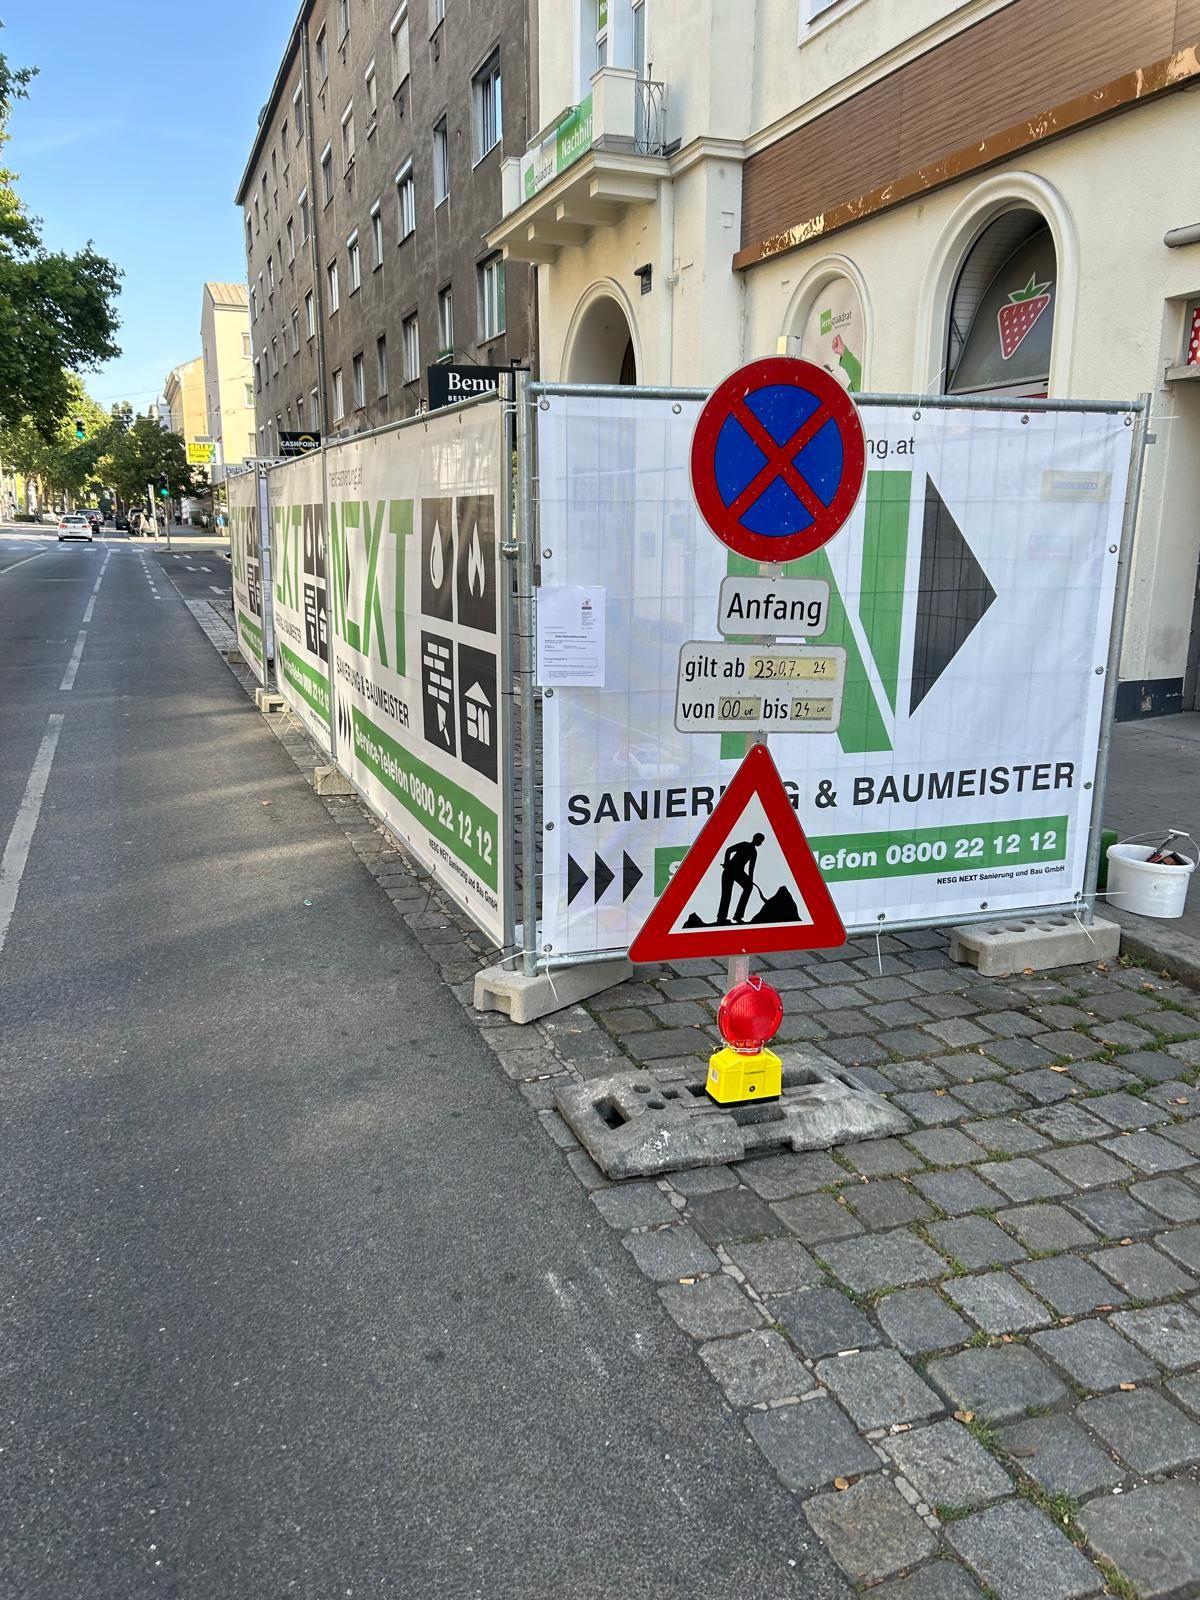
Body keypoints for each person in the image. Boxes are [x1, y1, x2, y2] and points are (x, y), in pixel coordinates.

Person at [717, 832, 764, 925]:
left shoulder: (753, 852)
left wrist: (750, 880)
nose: (761, 843)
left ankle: (736, 916)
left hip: (736, 872)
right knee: (727, 894)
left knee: (746, 888)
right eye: (761, 841)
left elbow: (751, 868)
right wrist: (726, 863)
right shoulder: (746, 845)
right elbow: (728, 850)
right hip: (731, 870)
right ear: (756, 839)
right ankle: (724, 918)